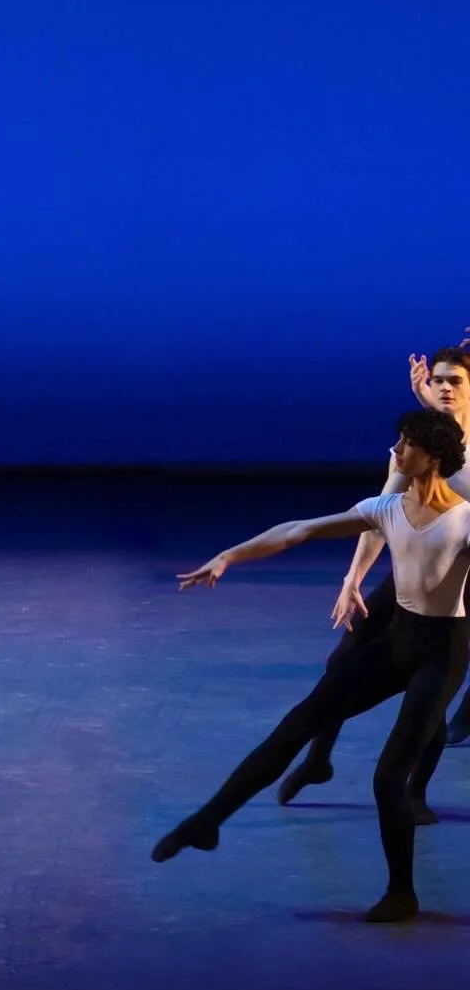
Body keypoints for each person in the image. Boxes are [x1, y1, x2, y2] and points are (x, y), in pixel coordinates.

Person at [156, 409, 470, 924]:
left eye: (405, 443)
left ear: (431, 455)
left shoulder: (463, 521)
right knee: (297, 724)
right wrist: (229, 556)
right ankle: (207, 820)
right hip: (399, 640)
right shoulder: (387, 507)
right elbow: (298, 530)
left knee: (389, 775)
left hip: (444, 651)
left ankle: (402, 894)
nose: (394, 450)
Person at [278, 348, 470, 817]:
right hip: (410, 577)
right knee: (343, 659)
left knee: (431, 694)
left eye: (456, 382)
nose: (444, 387)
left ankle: (416, 793)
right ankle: (318, 759)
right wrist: (352, 580)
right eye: (438, 381)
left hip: (460, 587)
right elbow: (378, 515)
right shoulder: (417, 444)